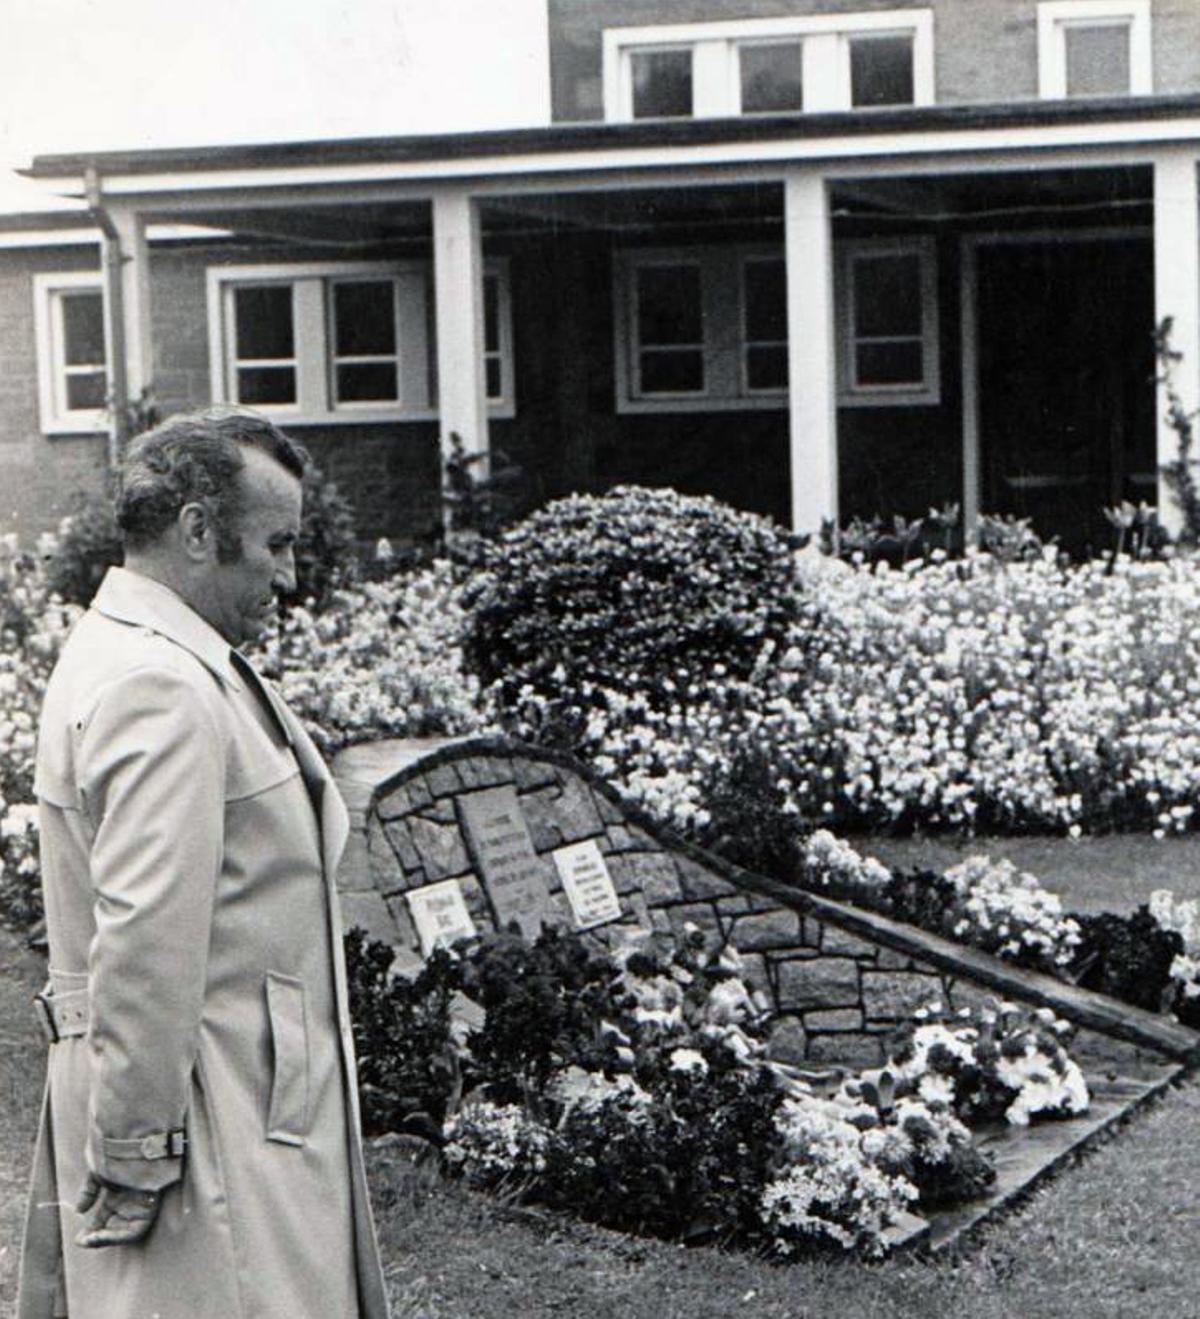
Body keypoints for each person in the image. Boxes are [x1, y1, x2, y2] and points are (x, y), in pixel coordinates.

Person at [18, 408, 390, 1318]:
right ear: (195, 530)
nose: (289, 575)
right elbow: (145, 936)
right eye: (276, 544)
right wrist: (138, 1150)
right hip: (209, 1123)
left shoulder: (153, 656)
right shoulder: (161, 683)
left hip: (234, 1108)